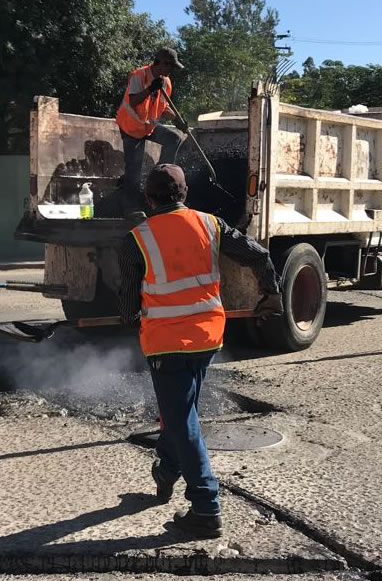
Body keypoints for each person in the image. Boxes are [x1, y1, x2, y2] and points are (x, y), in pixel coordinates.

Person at [118, 164, 282, 538]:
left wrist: (130, 320)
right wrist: (271, 294)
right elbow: (257, 255)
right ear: (185, 192)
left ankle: (206, 507)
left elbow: (128, 303)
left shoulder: (136, 239)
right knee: (182, 413)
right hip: (208, 337)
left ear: (149, 198)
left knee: (181, 420)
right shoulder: (211, 224)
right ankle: (167, 469)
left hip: (165, 343)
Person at [115, 47, 188, 216]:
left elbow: (163, 106)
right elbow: (133, 101)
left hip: (148, 126)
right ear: (160, 63)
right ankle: (130, 209)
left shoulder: (166, 82)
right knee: (133, 169)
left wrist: (177, 120)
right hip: (130, 127)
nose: (171, 71)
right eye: (169, 66)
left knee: (173, 139)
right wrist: (150, 89)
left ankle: (158, 178)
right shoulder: (139, 76)